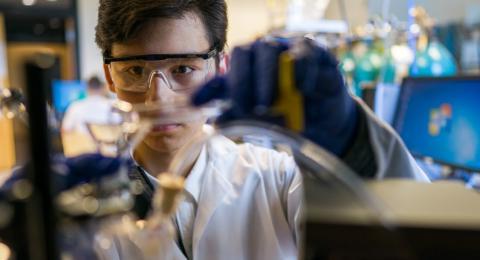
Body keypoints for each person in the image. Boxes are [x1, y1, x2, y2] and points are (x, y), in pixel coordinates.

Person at [93, 0, 428, 259]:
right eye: (135, 70)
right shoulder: (84, 205)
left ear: (219, 66)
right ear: (110, 76)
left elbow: (420, 236)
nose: (159, 97)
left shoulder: (277, 178)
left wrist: (352, 143)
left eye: (183, 68)